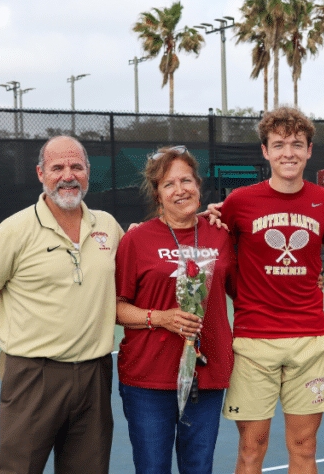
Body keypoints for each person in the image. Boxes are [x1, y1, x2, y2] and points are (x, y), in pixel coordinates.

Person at [0, 135, 123, 474]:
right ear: (40, 174)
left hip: (95, 375)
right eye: (57, 167)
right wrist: (20, 323)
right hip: (32, 376)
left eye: (76, 167)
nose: (68, 176)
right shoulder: (14, 230)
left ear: (88, 172)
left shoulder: (108, 226)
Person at [216, 107, 324, 474]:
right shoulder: (239, 202)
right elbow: (215, 251)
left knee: (304, 448)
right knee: (251, 449)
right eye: (279, 145)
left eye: (296, 144)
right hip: (253, 342)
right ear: (266, 151)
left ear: (309, 150)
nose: (288, 153)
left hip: (308, 340)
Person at [115, 146, 236, 473]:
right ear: (157, 194)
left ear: (198, 185)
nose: (180, 190)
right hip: (149, 380)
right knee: (152, 468)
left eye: (186, 180)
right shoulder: (136, 239)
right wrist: (161, 318)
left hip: (206, 376)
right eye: (169, 184)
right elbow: (116, 309)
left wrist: (307, 278)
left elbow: (246, 291)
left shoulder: (222, 234)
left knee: (199, 467)